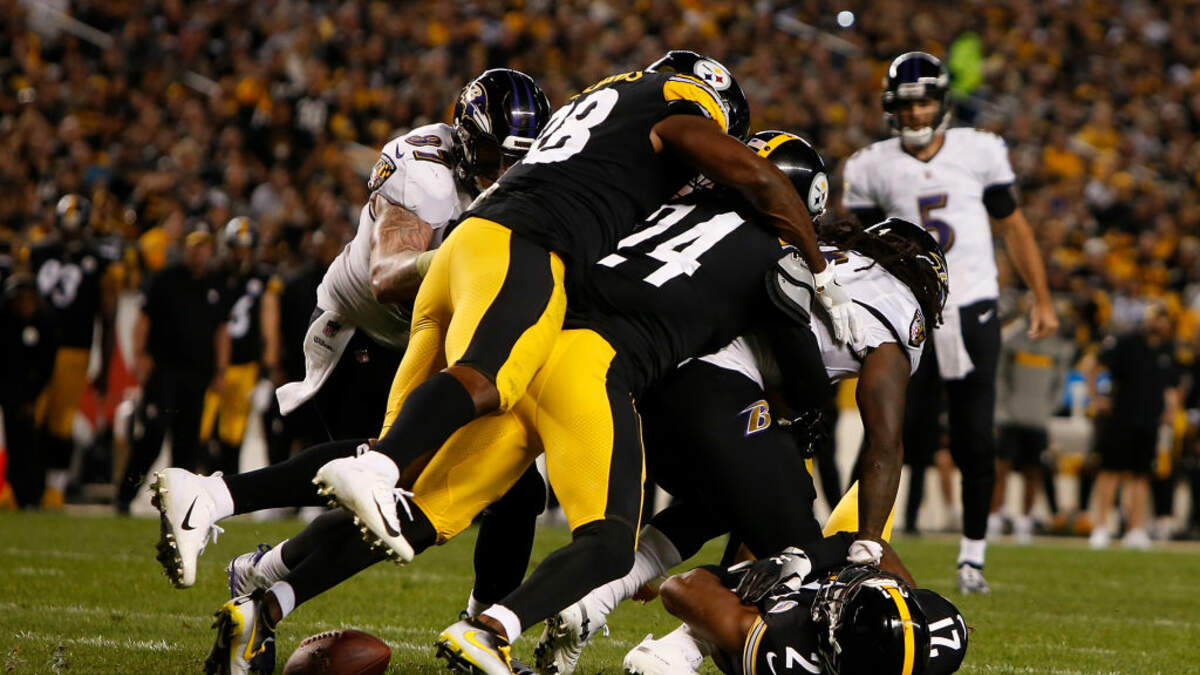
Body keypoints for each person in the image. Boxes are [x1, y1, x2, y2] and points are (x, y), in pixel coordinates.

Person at [198, 129, 836, 675]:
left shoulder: (657, 207)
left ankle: (263, 605)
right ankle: (489, 630)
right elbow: (803, 372)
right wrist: (806, 408)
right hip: (592, 370)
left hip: (532, 340)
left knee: (413, 512)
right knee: (610, 542)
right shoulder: (774, 254)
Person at [313, 51, 861, 562]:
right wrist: (821, 273)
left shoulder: (603, 103)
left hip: (476, 247)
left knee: (433, 459)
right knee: (485, 382)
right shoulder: (676, 107)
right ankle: (379, 472)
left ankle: (275, 560)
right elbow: (760, 178)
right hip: (525, 244)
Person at [152, 68, 554, 629]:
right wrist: (466, 255)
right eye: (493, 155)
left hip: (426, 343)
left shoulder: (538, 181)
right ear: (466, 141)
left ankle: (477, 627)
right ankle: (217, 499)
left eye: (519, 158)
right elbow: (386, 276)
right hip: (362, 334)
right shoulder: (426, 169)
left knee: (513, 488)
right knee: (389, 473)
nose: (505, 172)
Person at [535, 212, 949, 674]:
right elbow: (885, 444)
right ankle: (673, 654)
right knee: (803, 565)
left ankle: (592, 599)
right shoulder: (899, 305)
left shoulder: (827, 258)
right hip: (717, 390)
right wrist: (868, 544)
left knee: (720, 504)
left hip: (649, 372)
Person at [841, 51, 1058, 593]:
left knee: (974, 436)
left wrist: (1042, 297)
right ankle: (849, 545)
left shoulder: (979, 150)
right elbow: (863, 248)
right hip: (907, 313)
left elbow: (1014, 227)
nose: (915, 113)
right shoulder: (870, 165)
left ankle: (973, 557)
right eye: (906, 104)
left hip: (973, 307)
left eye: (924, 103)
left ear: (942, 103)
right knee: (885, 429)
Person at [626, 538, 968, 674]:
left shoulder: (783, 648)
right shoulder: (945, 632)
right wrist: (809, 557)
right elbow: (874, 545)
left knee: (662, 662)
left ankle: (687, 640)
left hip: (774, 606)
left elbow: (678, 589)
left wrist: (743, 575)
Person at [116, 229, 229, 513]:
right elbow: (144, 319)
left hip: (197, 375)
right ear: (185, 248)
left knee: (187, 443)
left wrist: (220, 371)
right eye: (194, 246)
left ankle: (179, 505)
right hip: (164, 371)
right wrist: (140, 355)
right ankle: (125, 495)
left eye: (204, 247)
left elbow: (221, 331)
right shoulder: (165, 279)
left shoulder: (215, 284)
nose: (199, 252)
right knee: (152, 435)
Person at [28, 194, 120, 508]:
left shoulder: (99, 262)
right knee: (28, 416)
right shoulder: (38, 252)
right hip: (33, 348)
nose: (71, 232)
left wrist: (105, 366)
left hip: (74, 349)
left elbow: (108, 317)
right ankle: (23, 483)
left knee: (61, 421)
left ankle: (54, 487)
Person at [1087, 303, 1180, 549]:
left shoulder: (1167, 350)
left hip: (1149, 422)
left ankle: (1135, 528)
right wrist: (1096, 398)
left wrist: (1170, 411)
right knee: (1111, 472)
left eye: (1162, 318)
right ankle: (1101, 526)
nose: (1158, 323)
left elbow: (1171, 386)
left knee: (1141, 476)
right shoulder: (1126, 343)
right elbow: (1092, 365)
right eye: (1155, 317)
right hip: (1120, 418)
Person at [987, 299, 1074, 543]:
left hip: (1038, 418)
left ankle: (1025, 518)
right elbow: (999, 376)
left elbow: (1060, 381)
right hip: (1009, 416)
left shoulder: (1057, 344)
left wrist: (1047, 409)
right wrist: (1003, 407)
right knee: (1002, 467)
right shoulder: (1011, 338)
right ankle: (995, 515)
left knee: (1033, 470)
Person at [199, 217, 281, 476]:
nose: (241, 254)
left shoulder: (264, 278)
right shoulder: (213, 276)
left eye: (246, 248)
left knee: (232, 436)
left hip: (245, 366)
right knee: (202, 431)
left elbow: (270, 324)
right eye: (237, 247)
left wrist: (267, 371)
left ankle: (227, 484)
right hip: (212, 365)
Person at [0, 274, 60, 508]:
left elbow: (47, 364)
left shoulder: (45, 322)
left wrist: (31, 396)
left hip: (35, 390)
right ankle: (13, 491)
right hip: (9, 390)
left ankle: (33, 493)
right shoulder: (6, 323)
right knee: (13, 440)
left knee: (35, 439)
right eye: (20, 298)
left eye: (28, 297)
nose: (24, 303)